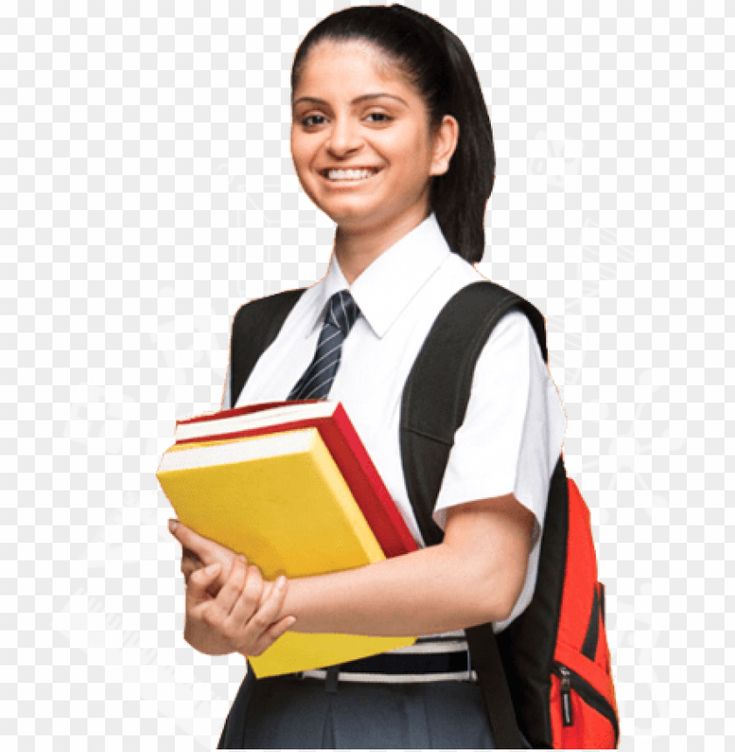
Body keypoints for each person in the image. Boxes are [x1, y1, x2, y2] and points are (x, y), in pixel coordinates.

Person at [167, 4, 566, 748]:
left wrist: (273, 600)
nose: (339, 141)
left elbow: (483, 577)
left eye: (376, 115)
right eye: (312, 118)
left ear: (441, 141)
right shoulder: (262, 335)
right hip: (268, 720)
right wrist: (216, 618)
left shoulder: (488, 333)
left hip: (422, 718)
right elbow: (210, 614)